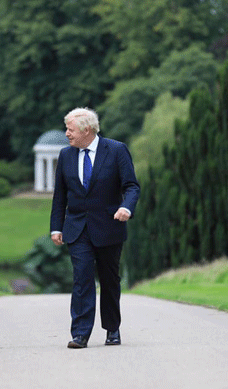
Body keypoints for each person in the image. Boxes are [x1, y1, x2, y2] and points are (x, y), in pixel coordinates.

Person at [50, 107, 140, 348]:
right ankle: (80, 333)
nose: (67, 134)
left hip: (109, 226)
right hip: (77, 228)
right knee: (82, 278)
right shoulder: (66, 155)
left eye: (70, 129)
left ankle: (112, 328)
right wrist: (56, 227)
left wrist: (126, 208)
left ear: (86, 130)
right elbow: (60, 196)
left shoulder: (116, 150)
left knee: (109, 280)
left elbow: (131, 186)